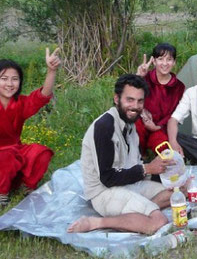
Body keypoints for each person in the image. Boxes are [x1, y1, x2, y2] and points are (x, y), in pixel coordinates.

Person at [67, 74, 175, 235]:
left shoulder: (130, 124)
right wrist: (147, 169)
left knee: (179, 190)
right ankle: (96, 222)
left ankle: (135, 214)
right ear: (117, 99)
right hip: (104, 192)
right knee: (158, 222)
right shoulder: (105, 127)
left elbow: (133, 165)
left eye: (140, 101)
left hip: (128, 183)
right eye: (129, 100)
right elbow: (108, 178)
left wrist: (164, 172)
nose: (135, 106)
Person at [0, 47, 61, 206]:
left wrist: (51, 70)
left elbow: (42, 96)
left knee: (41, 152)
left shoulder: (21, 103)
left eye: (14, 79)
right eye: (4, 78)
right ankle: (1, 191)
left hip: (16, 150)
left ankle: (26, 185)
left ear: (20, 82)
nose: (9, 83)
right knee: (5, 157)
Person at [135, 43, 185, 157]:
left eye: (169, 59)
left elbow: (174, 113)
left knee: (165, 151)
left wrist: (157, 127)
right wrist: (138, 76)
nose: (165, 63)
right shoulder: (145, 78)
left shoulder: (179, 87)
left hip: (160, 128)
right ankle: (139, 157)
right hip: (141, 122)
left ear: (174, 62)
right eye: (161, 59)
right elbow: (129, 96)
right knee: (135, 129)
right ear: (154, 61)